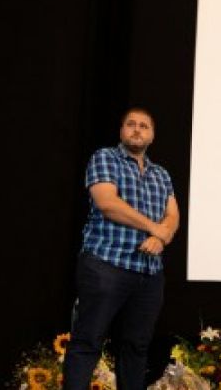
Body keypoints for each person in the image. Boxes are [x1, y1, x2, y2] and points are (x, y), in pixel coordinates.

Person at [63, 107, 179, 390]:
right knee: (88, 341)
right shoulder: (105, 158)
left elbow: (172, 215)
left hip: (148, 273)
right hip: (106, 265)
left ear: (152, 135)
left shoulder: (161, 174)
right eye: (131, 124)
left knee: (136, 347)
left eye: (144, 126)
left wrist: (161, 238)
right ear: (122, 130)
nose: (137, 129)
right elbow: (107, 203)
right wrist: (154, 228)